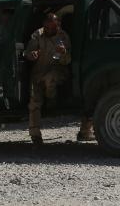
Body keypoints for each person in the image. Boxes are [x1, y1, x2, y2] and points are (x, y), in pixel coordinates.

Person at [24, 13, 93, 144]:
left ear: (58, 25)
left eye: (53, 28)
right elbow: (27, 53)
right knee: (34, 102)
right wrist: (32, 55)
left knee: (50, 78)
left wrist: (63, 53)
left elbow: (67, 61)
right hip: (39, 72)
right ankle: (35, 135)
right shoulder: (37, 35)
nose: (49, 30)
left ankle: (51, 99)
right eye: (47, 28)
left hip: (58, 71)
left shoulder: (63, 37)